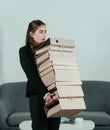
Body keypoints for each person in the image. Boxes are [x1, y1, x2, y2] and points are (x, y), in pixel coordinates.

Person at [19, 20, 61, 130]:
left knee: (54, 128)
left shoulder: (49, 49)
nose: (44, 35)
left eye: (45, 32)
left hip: (54, 94)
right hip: (37, 95)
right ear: (31, 34)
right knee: (40, 127)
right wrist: (45, 94)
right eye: (41, 32)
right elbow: (31, 75)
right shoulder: (24, 51)